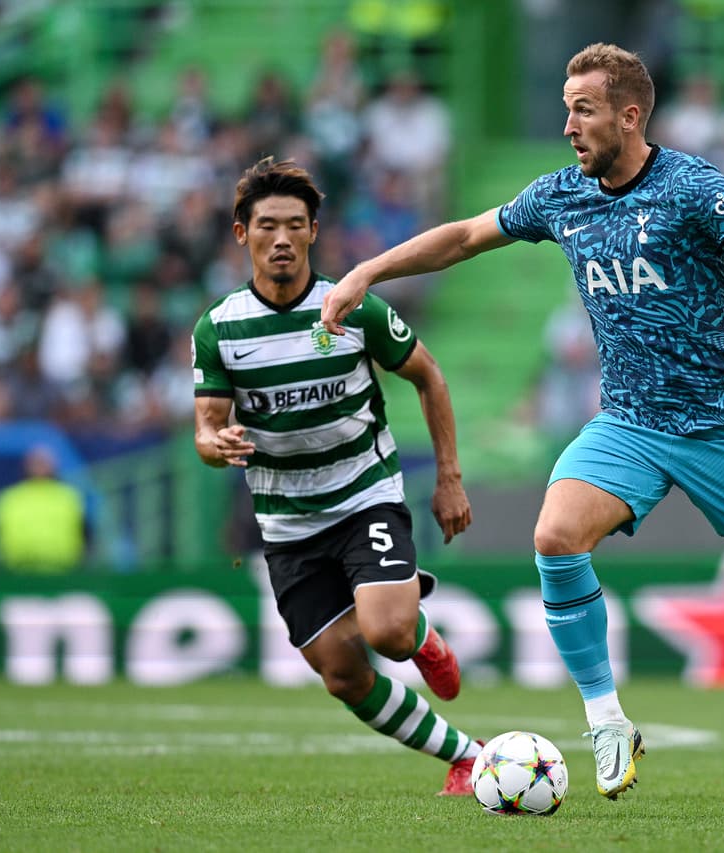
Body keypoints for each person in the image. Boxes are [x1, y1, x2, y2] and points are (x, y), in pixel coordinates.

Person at [321, 43, 724, 807]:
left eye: (583, 110)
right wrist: (367, 272)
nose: (568, 126)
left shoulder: (693, 186)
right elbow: (462, 237)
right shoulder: (562, 195)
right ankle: (607, 720)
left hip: (722, 428)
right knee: (556, 535)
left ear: (629, 116)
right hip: (627, 425)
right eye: (566, 109)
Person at [191, 158, 482, 796]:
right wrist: (218, 444)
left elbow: (429, 375)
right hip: (287, 525)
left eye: (295, 225)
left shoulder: (351, 308)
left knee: (387, 634)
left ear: (314, 232)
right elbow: (205, 432)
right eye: (267, 226)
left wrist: (449, 478)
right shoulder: (219, 329)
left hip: (363, 497)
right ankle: (468, 757)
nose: (282, 239)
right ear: (242, 234)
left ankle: (418, 633)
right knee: (342, 675)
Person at [0, 445, 85, 573]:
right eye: (36, 462)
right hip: (19, 570)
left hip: (62, 570)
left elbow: (82, 531)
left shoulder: (68, 497)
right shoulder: (10, 497)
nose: (39, 467)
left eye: (43, 462)